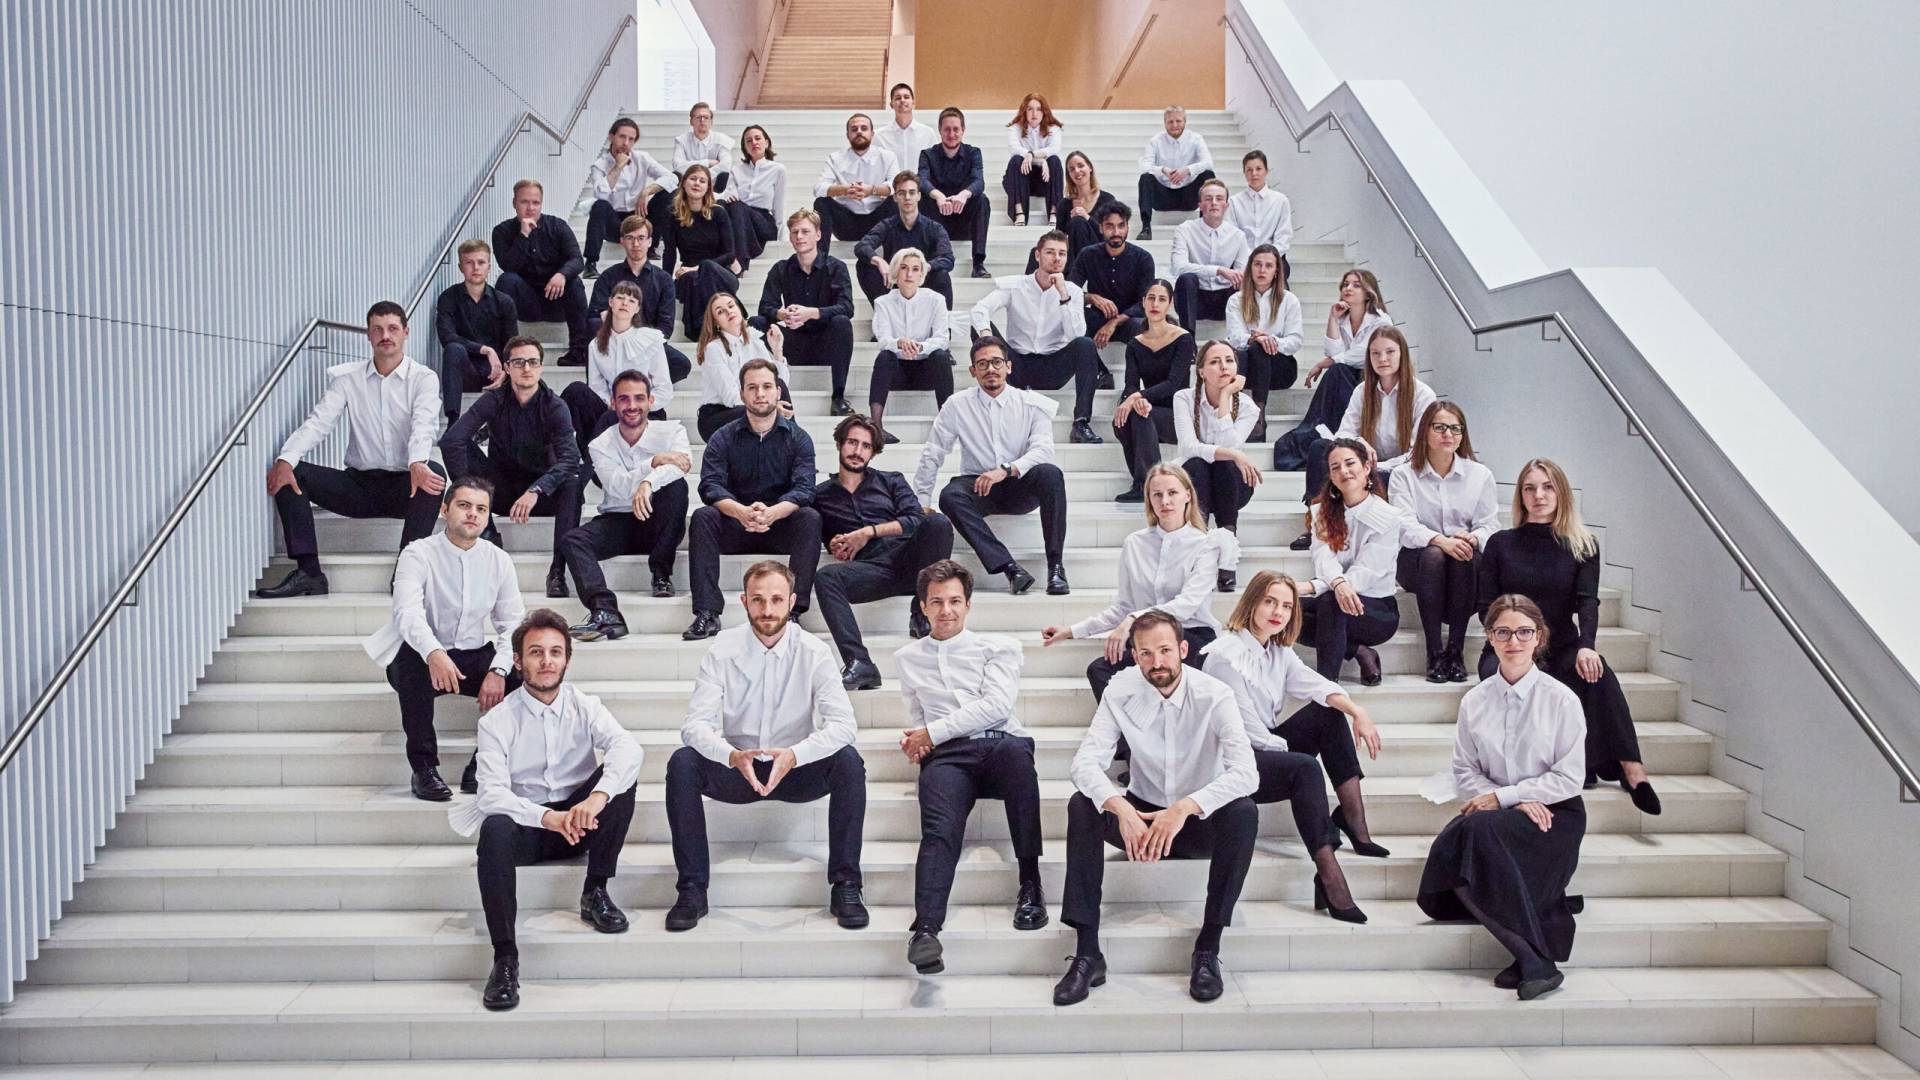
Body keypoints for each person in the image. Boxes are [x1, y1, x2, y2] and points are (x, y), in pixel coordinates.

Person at [1055, 610, 1258, 1007]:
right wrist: (1121, 808)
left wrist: (1185, 808)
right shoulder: (1120, 689)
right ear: (1134, 656)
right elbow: (1084, 763)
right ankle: (1087, 953)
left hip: (1195, 822)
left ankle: (1208, 948)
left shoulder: (1214, 694)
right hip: (1141, 819)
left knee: (1244, 812)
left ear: (1182, 649)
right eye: (1145, 654)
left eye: (1165, 650)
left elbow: (1247, 774)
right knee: (1083, 805)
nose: (1156, 662)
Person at [665, 560, 869, 932]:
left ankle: (846, 885)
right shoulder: (722, 649)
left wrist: (796, 755)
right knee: (683, 763)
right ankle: (692, 889)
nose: (768, 609)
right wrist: (730, 755)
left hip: (796, 769)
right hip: (739, 769)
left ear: (792, 601)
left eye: (776, 599)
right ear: (744, 601)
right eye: (758, 600)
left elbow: (844, 726)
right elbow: (694, 726)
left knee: (848, 761)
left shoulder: (814, 651)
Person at [459, 608, 642, 1011]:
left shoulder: (584, 704)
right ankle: (505, 958)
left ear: (567, 660)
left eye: (555, 652)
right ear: (518, 661)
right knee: (494, 828)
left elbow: (628, 748)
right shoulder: (497, 721)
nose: (546, 661)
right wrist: (547, 818)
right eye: (536, 652)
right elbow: (491, 794)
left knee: (620, 779)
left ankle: (595, 891)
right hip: (531, 828)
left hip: (580, 821)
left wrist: (596, 798)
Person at [1419, 593, 1588, 1000]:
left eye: (1524, 632)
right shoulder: (1474, 701)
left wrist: (1509, 797)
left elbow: (1569, 777)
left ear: (1539, 637)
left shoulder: (1562, 699)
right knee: (1458, 844)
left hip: (1554, 816)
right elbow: (1465, 772)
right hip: (1495, 814)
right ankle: (1534, 959)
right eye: (1503, 632)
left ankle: (1532, 958)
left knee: (1470, 835)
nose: (1514, 641)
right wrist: (1510, 800)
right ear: (1490, 638)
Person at [1477, 458, 1662, 814]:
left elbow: (1587, 602)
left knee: (1597, 671)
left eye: (1547, 487)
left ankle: (1633, 770)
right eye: (1530, 488)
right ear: (1520, 496)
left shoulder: (1582, 544)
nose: (1539, 495)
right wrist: (1510, 640)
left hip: (1561, 644)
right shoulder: (1500, 544)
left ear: (1561, 492)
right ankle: (1562, 767)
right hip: (1510, 648)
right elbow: (1486, 606)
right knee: (1508, 683)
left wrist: (1586, 647)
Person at [897, 560, 1046, 975]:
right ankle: (926, 930)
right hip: (947, 757)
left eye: (955, 601)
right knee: (939, 831)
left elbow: (997, 706)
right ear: (923, 607)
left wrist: (931, 732)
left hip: (999, 746)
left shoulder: (998, 647)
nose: (946, 610)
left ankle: (1031, 885)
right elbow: (916, 714)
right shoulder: (907, 658)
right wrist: (917, 741)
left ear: (968, 604)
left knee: (1018, 757)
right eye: (937, 602)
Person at [255, 301, 444, 599]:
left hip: (405, 487)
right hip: (360, 487)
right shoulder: (348, 378)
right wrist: (286, 458)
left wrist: (417, 462)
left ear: (405, 332)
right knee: (291, 471)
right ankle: (309, 573)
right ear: (368, 335)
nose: (385, 336)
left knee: (433, 473)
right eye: (377, 329)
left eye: (392, 328)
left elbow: (424, 424)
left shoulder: (424, 378)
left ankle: (407, 573)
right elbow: (319, 422)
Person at [1204, 569, 1388, 864]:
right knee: (1305, 768)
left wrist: (1357, 711)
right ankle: (1328, 869)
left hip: (1264, 745)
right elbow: (1249, 732)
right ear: (1252, 602)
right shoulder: (1226, 655)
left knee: (1328, 713)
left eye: (1287, 606)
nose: (1278, 612)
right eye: (1269, 602)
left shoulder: (1278, 650)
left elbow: (1316, 685)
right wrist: (1291, 753)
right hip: (1234, 759)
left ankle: (1354, 819)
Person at [363, 477, 524, 801]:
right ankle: (424, 770)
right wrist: (434, 653)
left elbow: (513, 624)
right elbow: (407, 613)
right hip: (422, 657)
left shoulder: (498, 560)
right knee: (410, 659)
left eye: (481, 509)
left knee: (525, 672)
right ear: (445, 509)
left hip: (471, 655)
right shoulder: (417, 553)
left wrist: (499, 670)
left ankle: (483, 766)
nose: (473, 514)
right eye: (464, 505)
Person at [1043, 462, 1234, 698]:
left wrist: (1134, 619)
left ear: (1187, 495)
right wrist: (1073, 630)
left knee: (1163, 674)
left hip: (1190, 635)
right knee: (1099, 671)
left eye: (1172, 493)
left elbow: (1186, 605)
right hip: (1147, 638)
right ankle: (1137, 723)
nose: (1165, 501)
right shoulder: (1134, 543)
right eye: (1157, 494)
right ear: (1149, 500)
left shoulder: (1206, 545)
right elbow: (1124, 607)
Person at [915, 335, 1071, 597]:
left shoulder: (1032, 403)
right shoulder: (957, 404)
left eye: (997, 362)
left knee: (1051, 474)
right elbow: (934, 451)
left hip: (1019, 485)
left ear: (1009, 366)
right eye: (983, 364)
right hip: (979, 486)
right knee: (950, 496)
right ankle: (1010, 568)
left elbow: (1043, 450)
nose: (990, 369)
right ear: (972, 371)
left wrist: (1006, 469)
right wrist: (921, 501)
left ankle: (1056, 568)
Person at [814, 414, 956, 689]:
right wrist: (834, 544)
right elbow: (825, 537)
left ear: (873, 452)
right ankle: (860, 663)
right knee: (826, 577)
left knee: (937, 523)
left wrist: (868, 532)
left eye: (866, 446)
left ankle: (921, 611)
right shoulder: (820, 495)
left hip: (912, 562)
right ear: (839, 444)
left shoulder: (891, 481)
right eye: (852, 442)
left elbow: (916, 519)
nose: (858, 451)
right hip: (872, 571)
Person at [683, 359, 821, 640]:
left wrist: (773, 513)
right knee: (703, 517)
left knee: (810, 518)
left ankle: (792, 612)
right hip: (736, 525)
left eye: (767, 387)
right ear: (742, 394)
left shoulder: (799, 439)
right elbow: (709, 486)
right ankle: (707, 613)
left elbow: (805, 489)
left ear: (778, 392)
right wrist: (740, 512)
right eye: (752, 388)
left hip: (779, 526)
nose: (760, 394)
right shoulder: (722, 437)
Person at [440, 336, 582, 600]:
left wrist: (537, 489)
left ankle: (558, 571)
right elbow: (452, 441)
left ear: (541, 367)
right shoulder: (494, 400)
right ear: (506, 367)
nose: (526, 368)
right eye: (518, 362)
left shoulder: (555, 406)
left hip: (540, 495)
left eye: (532, 362)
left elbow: (570, 459)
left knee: (573, 483)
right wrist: (470, 496)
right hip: (499, 492)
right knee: (457, 443)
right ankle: (487, 529)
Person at [564, 371, 692, 641]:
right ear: (613, 403)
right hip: (618, 522)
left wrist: (648, 482)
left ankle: (661, 573)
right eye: (624, 399)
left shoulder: (673, 431)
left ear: (651, 401)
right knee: (573, 540)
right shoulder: (600, 444)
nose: (632, 405)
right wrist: (653, 462)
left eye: (639, 398)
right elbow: (617, 487)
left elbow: (681, 467)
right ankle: (605, 611)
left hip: (657, 521)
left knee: (676, 488)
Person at [1289, 326, 1434, 549]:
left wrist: (1377, 467)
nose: (1382, 359)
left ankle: (1356, 532)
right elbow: (1343, 434)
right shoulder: (1363, 391)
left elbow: (1417, 453)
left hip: (1400, 471)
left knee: (1383, 477)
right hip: (1367, 468)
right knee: (1320, 448)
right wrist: (1359, 444)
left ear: (1402, 354)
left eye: (1390, 352)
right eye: (1375, 353)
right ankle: (1317, 527)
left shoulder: (1422, 394)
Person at [1390, 400, 1497, 683]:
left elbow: (1489, 525)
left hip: (1464, 562)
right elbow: (1404, 526)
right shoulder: (1403, 474)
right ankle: (1434, 651)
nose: (1448, 434)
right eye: (1439, 427)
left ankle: (1455, 651)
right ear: (1425, 431)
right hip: (1417, 562)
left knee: (1464, 554)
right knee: (1434, 555)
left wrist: (1472, 537)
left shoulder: (1480, 475)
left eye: (1455, 428)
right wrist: (1440, 541)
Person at [969, 230, 1107, 444]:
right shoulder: (1015, 285)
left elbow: (1075, 335)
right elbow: (979, 309)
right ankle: (990, 408)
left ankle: (1081, 424)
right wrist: (987, 338)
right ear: (1037, 255)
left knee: (1085, 345)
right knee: (978, 329)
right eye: (1050, 252)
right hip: (1015, 365)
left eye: (1062, 254)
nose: (1057, 258)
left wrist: (1063, 295)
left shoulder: (1072, 291)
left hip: (1053, 368)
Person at [1297, 438, 1411, 687]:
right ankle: (1359, 651)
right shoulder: (1321, 512)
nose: (1344, 471)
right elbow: (1323, 557)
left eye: (1350, 463)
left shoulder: (1388, 516)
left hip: (1376, 611)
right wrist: (1336, 583)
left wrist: (1314, 586)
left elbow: (1367, 572)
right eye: (1335, 467)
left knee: (1331, 601)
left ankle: (1327, 687)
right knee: (1287, 609)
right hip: (1334, 598)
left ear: (1366, 467)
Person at [752, 209, 858, 416]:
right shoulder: (781, 268)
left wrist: (811, 313)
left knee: (842, 322)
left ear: (818, 234)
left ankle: (838, 397)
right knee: (755, 323)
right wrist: (783, 315)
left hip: (826, 346)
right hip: (793, 344)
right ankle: (769, 394)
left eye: (805, 231)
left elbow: (847, 307)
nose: (799, 237)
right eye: (794, 232)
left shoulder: (836, 267)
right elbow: (765, 307)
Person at [1174, 340, 1262, 586]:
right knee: (1197, 464)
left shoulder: (1248, 407)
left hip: (1231, 487)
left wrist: (1225, 396)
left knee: (1224, 464)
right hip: (1194, 484)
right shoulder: (1184, 398)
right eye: (1215, 362)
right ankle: (1198, 548)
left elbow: (1229, 446)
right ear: (1201, 371)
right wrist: (1234, 454)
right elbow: (1188, 447)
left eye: (1229, 360)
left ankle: (1227, 554)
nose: (1224, 367)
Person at [562, 281, 673, 470]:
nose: (625, 303)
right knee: (576, 391)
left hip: (645, 410)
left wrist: (636, 405)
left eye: (631, 300)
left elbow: (664, 388)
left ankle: (592, 465)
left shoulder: (650, 339)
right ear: (610, 302)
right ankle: (578, 457)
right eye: (620, 297)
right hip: (611, 409)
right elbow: (596, 387)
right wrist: (614, 405)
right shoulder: (595, 345)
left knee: (613, 418)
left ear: (637, 309)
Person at [1280, 268, 1390, 456]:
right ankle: (1327, 432)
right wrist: (1332, 317)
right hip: (1347, 376)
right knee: (1338, 371)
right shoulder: (1342, 317)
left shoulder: (1381, 320)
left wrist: (1325, 363)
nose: (1348, 288)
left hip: (1371, 377)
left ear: (1368, 293)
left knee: (1338, 370)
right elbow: (1333, 351)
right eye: (1345, 284)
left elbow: (1365, 354)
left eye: (1356, 285)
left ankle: (1334, 433)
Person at [490, 179, 590, 367]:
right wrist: (523, 235)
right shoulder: (502, 232)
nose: (530, 208)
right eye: (524, 202)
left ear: (541, 204)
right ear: (514, 203)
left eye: (535, 202)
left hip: (557, 301)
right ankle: (508, 354)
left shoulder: (557, 226)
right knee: (506, 280)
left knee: (574, 282)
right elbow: (509, 266)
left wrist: (561, 274)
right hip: (526, 305)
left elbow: (577, 260)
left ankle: (579, 352)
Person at [587, 215, 691, 385]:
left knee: (681, 364)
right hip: (615, 344)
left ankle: (638, 386)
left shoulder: (664, 280)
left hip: (648, 345)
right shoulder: (608, 277)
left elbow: (666, 326)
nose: (636, 244)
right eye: (630, 238)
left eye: (641, 238)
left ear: (650, 241)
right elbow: (595, 315)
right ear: (622, 241)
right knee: (594, 331)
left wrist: (640, 344)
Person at [1109, 280, 1190, 500]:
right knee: (1126, 417)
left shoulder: (1183, 339)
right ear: (1144, 302)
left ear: (1169, 304)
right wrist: (1131, 400)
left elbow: (1173, 384)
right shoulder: (1135, 343)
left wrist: (1138, 397)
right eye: (1151, 298)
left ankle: (1149, 485)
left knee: (1142, 412)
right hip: (1149, 408)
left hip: (1179, 415)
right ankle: (1142, 483)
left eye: (1161, 299)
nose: (1155, 304)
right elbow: (1131, 384)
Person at [869, 247, 954, 445]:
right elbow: (883, 340)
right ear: (895, 271)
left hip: (926, 371)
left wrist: (919, 347)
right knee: (885, 356)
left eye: (915, 269)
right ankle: (876, 426)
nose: (909, 274)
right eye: (904, 268)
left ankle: (948, 424)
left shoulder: (936, 300)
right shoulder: (883, 302)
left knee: (941, 356)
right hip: (896, 372)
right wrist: (899, 342)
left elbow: (942, 338)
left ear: (922, 273)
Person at [433, 239, 516, 424]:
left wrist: (506, 372)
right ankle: (453, 422)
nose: (476, 268)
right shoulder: (448, 298)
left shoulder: (504, 301)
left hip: (496, 373)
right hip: (465, 372)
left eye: (481, 262)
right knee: (453, 349)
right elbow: (447, 337)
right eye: (469, 262)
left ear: (489, 267)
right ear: (460, 267)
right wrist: (485, 350)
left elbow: (513, 345)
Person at [1224, 244, 1301, 442]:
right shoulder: (1236, 300)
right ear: (1250, 267)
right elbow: (1235, 337)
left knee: (1259, 348)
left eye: (1268, 265)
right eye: (1257, 264)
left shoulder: (1289, 300)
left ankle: (1257, 416)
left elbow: (1295, 341)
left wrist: (1271, 341)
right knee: (1244, 352)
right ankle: (1241, 412)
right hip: (1247, 369)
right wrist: (1255, 339)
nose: (1262, 270)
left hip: (1280, 370)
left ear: (1276, 271)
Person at [582, 117, 671, 278]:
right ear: (611, 137)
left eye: (631, 139)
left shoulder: (642, 158)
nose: (626, 143)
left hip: (639, 215)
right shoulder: (600, 165)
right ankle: (590, 263)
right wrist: (618, 167)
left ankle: (651, 247)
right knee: (599, 205)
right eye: (622, 137)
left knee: (667, 193)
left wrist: (646, 191)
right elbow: (601, 194)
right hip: (614, 222)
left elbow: (672, 178)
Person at [697, 291, 792, 440]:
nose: (728, 311)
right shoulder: (714, 349)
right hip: (718, 415)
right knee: (763, 416)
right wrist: (768, 409)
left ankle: (790, 443)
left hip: (752, 408)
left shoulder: (756, 342)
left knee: (776, 389)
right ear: (716, 322)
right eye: (720, 311)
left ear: (739, 309)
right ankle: (791, 444)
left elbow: (780, 387)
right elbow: (730, 397)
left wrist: (777, 350)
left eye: (731, 306)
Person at [853, 172, 956, 309]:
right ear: (895, 197)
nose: (907, 197)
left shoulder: (934, 228)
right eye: (902, 193)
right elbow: (862, 246)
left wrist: (924, 267)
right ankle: (884, 312)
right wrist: (879, 261)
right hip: (894, 285)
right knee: (864, 264)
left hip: (923, 283)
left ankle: (943, 320)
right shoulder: (887, 225)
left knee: (942, 275)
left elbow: (948, 258)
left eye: (912, 192)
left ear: (919, 196)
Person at [659, 164, 738, 341]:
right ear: (684, 183)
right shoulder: (672, 215)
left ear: (708, 187)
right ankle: (704, 328)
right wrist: (665, 283)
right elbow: (669, 253)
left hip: (721, 273)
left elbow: (730, 255)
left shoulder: (719, 213)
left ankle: (706, 327)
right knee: (692, 278)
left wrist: (697, 267)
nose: (697, 183)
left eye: (702, 181)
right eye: (693, 179)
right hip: (689, 277)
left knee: (706, 267)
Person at [917, 106, 992, 279]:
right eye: (947, 129)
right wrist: (938, 196)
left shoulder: (973, 153)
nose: (951, 134)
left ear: (963, 130)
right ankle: (933, 260)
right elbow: (922, 180)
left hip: (964, 222)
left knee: (982, 200)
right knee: (921, 198)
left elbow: (979, 181)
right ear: (940, 131)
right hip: (938, 219)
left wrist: (963, 195)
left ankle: (978, 263)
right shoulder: (927, 155)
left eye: (956, 129)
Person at [812, 113, 899, 258]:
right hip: (847, 224)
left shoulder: (887, 156)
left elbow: (896, 186)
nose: (859, 132)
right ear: (848, 135)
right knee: (821, 202)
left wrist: (871, 190)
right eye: (854, 129)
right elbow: (818, 188)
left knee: (897, 199)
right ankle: (820, 260)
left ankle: (894, 260)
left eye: (864, 128)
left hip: (879, 223)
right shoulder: (835, 158)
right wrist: (845, 189)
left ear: (872, 134)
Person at [1068, 201, 1154, 347]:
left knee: (1142, 326)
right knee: (1073, 317)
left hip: (1129, 320)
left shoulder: (1143, 258)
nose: (1116, 232)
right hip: (1097, 318)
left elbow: (1145, 302)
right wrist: (1091, 298)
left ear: (1127, 227)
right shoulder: (1087, 254)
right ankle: (1094, 362)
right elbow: (1070, 291)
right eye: (1109, 226)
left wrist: (1115, 321)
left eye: (1121, 226)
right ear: (1100, 228)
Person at [1171, 178, 1250, 333]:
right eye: (1208, 199)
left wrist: (1233, 275)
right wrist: (1218, 270)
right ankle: (1188, 341)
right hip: (1195, 299)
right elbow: (1178, 267)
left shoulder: (1238, 236)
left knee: (1243, 282)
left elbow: (1241, 274)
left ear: (1226, 205)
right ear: (1200, 205)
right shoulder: (1185, 230)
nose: (1214, 203)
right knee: (1186, 279)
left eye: (1219, 198)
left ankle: (1240, 338)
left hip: (1225, 301)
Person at [1135, 105, 1215, 240]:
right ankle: (1146, 228)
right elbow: (1144, 166)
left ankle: (1206, 226)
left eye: (1178, 121)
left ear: (1185, 121)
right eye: (1170, 122)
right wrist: (1163, 170)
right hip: (1163, 197)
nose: (1175, 125)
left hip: (1189, 196)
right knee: (1145, 178)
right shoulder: (1155, 141)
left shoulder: (1195, 139)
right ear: (1164, 123)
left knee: (1208, 175)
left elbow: (1208, 163)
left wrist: (1187, 170)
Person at [721, 124, 785, 273]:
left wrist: (781, 238)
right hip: (740, 221)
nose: (754, 142)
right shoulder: (736, 170)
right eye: (749, 141)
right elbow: (729, 195)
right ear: (745, 147)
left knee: (737, 206)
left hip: (763, 224)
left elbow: (779, 205)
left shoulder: (778, 169)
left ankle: (740, 262)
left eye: (758, 138)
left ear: (766, 143)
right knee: (724, 205)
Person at [1225, 150, 1292, 274]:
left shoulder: (1281, 201)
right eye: (1249, 170)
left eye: (1258, 169)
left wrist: (1268, 258)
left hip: (1273, 257)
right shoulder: (1234, 202)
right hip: (1243, 258)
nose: (1254, 174)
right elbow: (1233, 236)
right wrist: (1251, 258)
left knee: (1281, 275)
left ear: (1266, 171)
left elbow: (1284, 236)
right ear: (1244, 173)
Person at [1002, 93, 1064, 226]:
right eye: (1030, 109)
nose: (1034, 113)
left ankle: (1054, 212)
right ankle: (1019, 212)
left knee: (1054, 160)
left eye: (1039, 109)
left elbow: (1054, 148)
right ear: (1024, 111)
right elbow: (1014, 149)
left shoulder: (1053, 128)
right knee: (1016, 160)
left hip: (1044, 181)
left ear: (1044, 111)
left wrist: (1031, 155)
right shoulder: (1014, 128)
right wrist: (1041, 160)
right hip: (1020, 181)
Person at [1050, 151, 1120, 268]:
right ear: (1069, 175)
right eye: (1072, 169)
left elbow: (1113, 234)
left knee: (1078, 222)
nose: (1077, 171)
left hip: (1101, 255)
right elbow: (1059, 239)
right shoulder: (1064, 204)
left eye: (1080, 166)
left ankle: (1078, 274)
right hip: (1072, 256)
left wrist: (1087, 218)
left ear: (1090, 168)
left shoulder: (1108, 200)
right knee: (1038, 252)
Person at [877, 83, 937, 181]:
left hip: (921, 188)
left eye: (906, 97)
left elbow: (935, 165)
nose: (902, 100)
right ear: (891, 105)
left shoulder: (928, 133)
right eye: (898, 98)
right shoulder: (879, 136)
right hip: (891, 188)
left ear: (913, 103)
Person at [672, 101, 734, 194]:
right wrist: (708, 162)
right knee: (674, 178)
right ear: (691, 121)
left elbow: (725, 166)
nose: (702, 120)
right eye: (698, 117)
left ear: (711, 122)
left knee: (724, 176)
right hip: (688, 189)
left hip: (714, 190)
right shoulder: (681, 140)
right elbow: (678, 166)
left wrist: (702, 179)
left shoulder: (721, 139)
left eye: (706, 117)